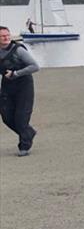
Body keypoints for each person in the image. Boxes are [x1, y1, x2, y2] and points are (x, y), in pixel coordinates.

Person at [0, 26, 39, 156]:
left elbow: (35, 66)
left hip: (24, 86)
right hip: (7, 86)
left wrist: (16, 73)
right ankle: (29, 132)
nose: (6, 38)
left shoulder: (18, 50)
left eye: (7, 35)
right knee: (6, 117)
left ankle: (24, 146)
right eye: (2, 36)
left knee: (21, 118)